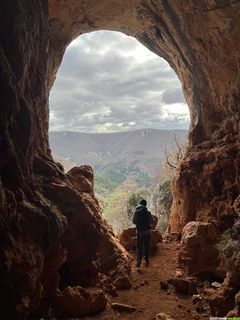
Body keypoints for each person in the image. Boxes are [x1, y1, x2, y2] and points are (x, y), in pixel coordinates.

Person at [132, 199, 154, 268]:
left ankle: (138, 261)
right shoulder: (148, 212)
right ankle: (146, 259)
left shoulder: (136, 212)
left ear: (140, 204)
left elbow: (134, 222)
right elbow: (152, 221)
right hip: (147, 232)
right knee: (146, 246)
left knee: (139, 246)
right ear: (145, 205)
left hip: (139, 232)